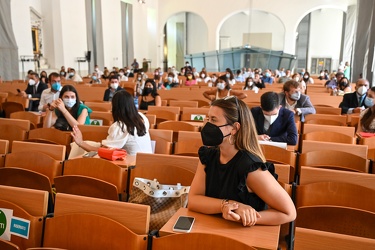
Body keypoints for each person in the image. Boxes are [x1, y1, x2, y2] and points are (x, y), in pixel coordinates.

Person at [188, 96, 296, 226]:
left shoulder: (249, 167)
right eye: (208, 119)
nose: (207, 125)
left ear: (234, 128)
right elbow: (193, 200)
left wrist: (246, 217)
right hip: (213, 227)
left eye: (213, 120)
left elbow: (289, 213)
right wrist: (227, 205)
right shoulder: (208, 156)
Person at [71, 90, 153, 156]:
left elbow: (105, 151)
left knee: (81, 148)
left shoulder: (120, 126)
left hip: (131, 163)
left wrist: (80, 142)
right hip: (146, 159)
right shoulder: (141, 117)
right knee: (87, 144)